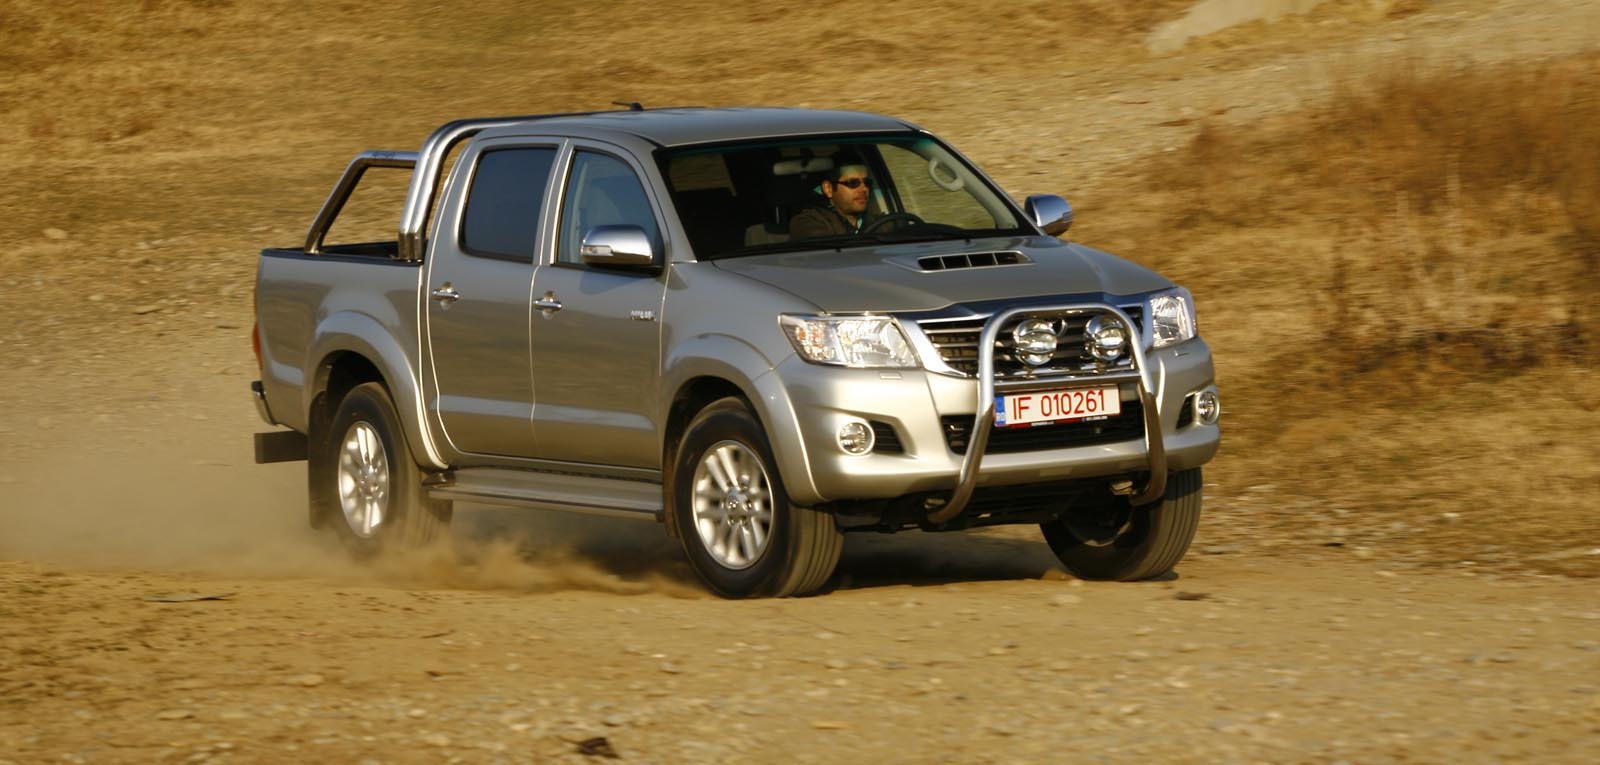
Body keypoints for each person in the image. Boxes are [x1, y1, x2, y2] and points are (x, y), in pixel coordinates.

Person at [788, 158, 876, 239]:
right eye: (852, 183)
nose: (864, 189)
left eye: (867, 182)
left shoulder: (878, 221)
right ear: (828, 189)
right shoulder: (806, 222)